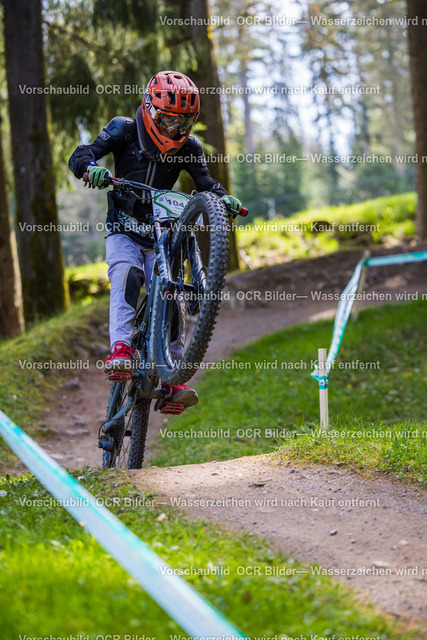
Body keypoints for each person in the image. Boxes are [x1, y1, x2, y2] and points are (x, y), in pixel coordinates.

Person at [69, 70, 242, 414]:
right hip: (123, 229)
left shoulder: (189, 147)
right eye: (167, 120)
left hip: (161, 234)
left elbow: (206, 183)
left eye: (183, 123)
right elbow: (82, 154)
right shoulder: (124, 129)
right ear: (150, 110)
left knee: (171, 295)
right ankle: (121, 350)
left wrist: (224, 198)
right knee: (127, 274)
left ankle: (172, 380)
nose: (173, 130)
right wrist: (90, 169)